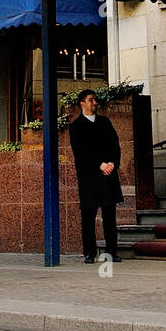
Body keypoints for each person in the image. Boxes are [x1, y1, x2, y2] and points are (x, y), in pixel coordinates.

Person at [68, 88, 123, 264]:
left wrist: (113, 162)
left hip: (108, 175)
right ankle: (89, 253)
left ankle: (112, 252)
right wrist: (99, 164)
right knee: (88, 216)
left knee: (109, 216)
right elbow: (80, 152)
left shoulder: (105, 122)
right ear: (82, 103)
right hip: (89, 178)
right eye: (91, 100)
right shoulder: (76, 126)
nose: (95, 103)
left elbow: (115, 145)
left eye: (95, 100)